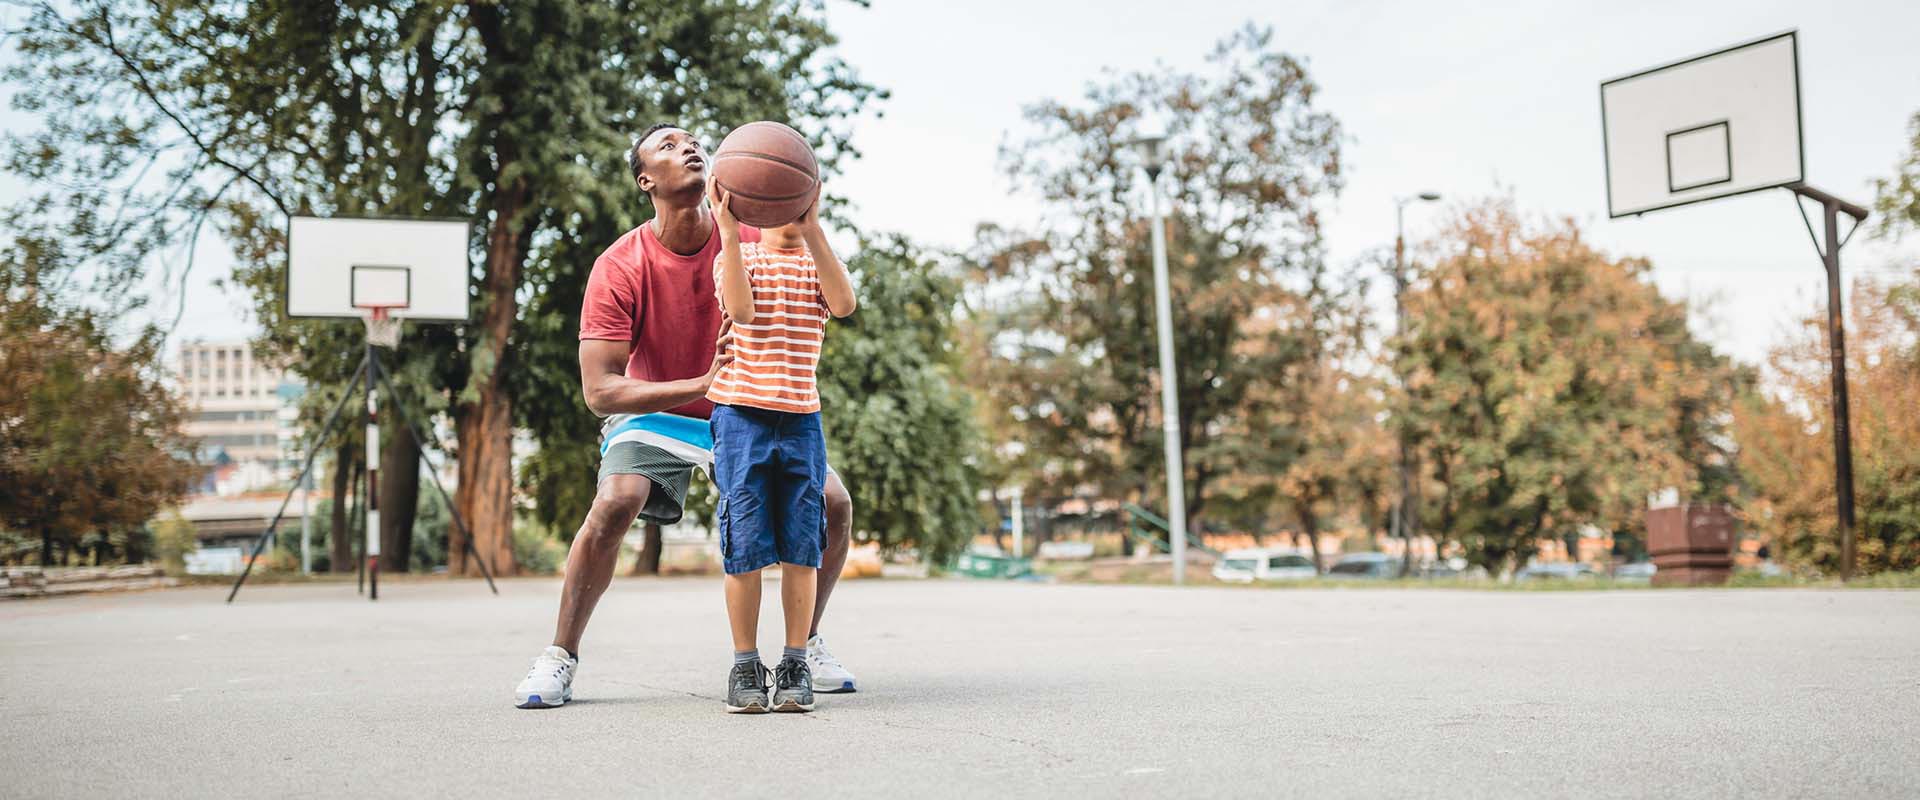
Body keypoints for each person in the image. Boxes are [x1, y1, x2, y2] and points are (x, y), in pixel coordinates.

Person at [512, 124, 858, 709]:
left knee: (833, 503)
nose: (689, 147)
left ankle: (806, 645)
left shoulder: (757, 238)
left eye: (693, 140)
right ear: (646, 180)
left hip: (749, 408)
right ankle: (560, 655)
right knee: (617, 500)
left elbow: (828, 301)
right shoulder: (621, 264)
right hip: (665, 412)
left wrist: (808, 219)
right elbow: (600, 391)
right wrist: (698, 384)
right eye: (667, 146)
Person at [706, 179, 855, 713]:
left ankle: (794, 661)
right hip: (741, 416)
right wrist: (727, 228)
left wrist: (813, 229)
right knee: (743, 544)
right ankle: (745, 663)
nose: (790, 212)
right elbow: (740, 312)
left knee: (802, 543)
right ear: (760, 208)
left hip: (800, 420)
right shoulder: (739, 255)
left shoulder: (819, 262)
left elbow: (843, 304)